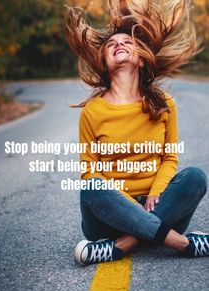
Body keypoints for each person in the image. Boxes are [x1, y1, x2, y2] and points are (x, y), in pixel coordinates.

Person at [65, 0, 209, 265]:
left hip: (159, 206)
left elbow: (169, 158)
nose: (118, 45)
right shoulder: (93, 112)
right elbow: (90, 170)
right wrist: (130, 210)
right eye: (111, 45)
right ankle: (183, 243)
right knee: (91, 187)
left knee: (195, 177)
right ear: (105, 64)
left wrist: (157, 192)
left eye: (127, 43)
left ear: (141, 60)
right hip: (109, 216)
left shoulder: (164, 104)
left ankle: (121, 246)